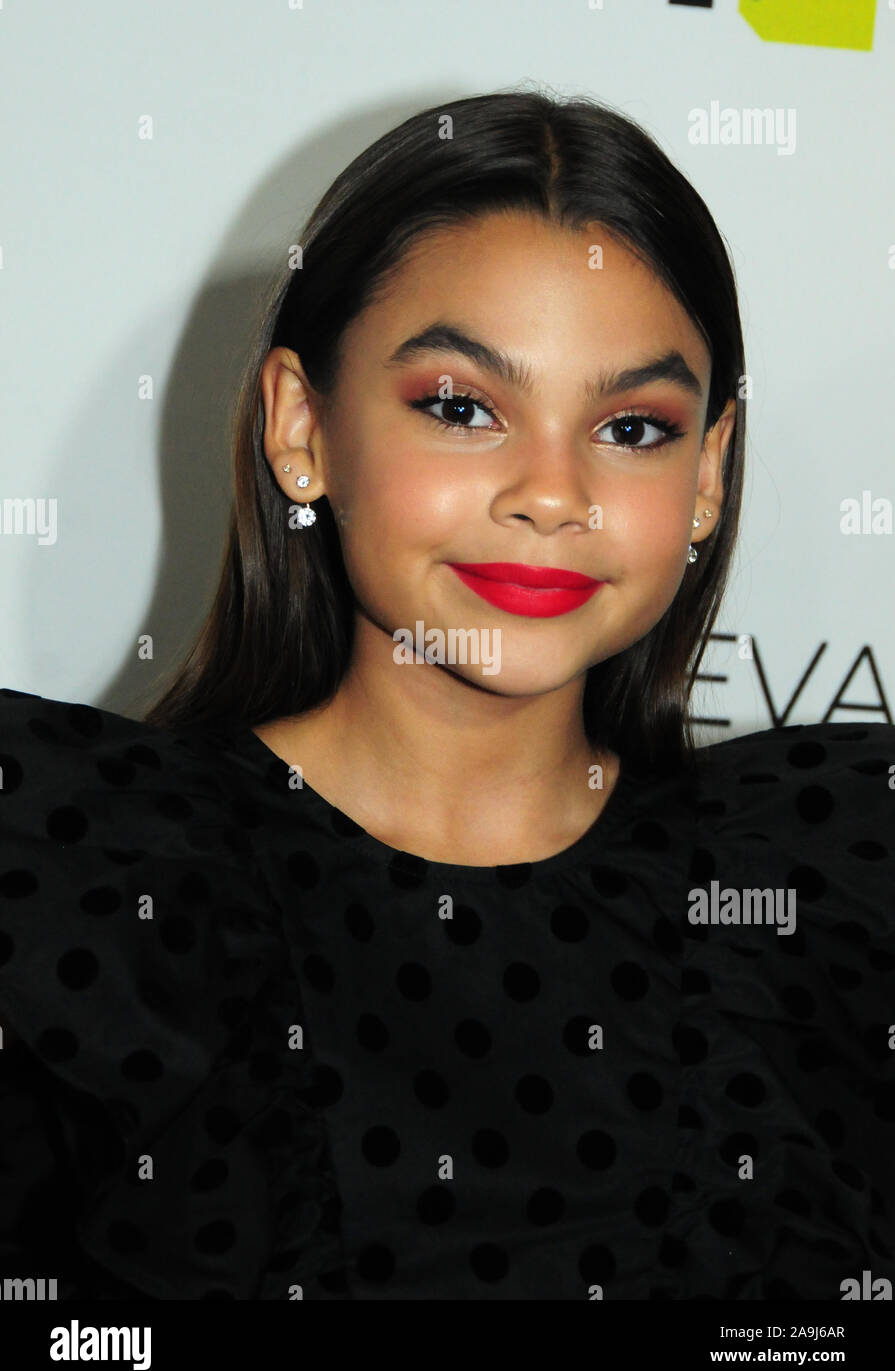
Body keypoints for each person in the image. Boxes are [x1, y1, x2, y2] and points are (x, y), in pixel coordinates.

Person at [1, 89, 893, 1302]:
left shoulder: (831, 887)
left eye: (632, 426)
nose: (549, 490)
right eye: (462, 407)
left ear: (707, 473)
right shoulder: (80, 879)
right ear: (300, 424)